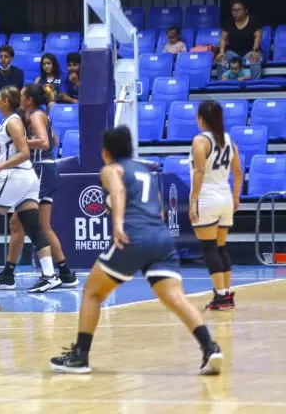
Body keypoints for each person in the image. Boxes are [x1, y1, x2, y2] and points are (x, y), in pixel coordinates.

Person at [50, 125, 223, 375]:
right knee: (175, 297)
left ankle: (80, 356)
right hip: (161, 238)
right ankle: (210, 347)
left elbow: (118, 191)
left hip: (134, 236)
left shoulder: (111, 169)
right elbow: (159, 210)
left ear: (106, 151)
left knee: (92, 293)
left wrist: (118, 223)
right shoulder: (146, 172)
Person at [0, 86, 56, 291]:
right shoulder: (9, 121)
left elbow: (24, 153)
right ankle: (50, 275)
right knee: (32, 226)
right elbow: (2, 156)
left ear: (6, 101)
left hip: (15, 176)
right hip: (27, 177)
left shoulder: (13, 122)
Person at [3, 84, 78, 292]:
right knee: (38, 226)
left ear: (29, 100)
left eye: (22, 95)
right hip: (45, 169)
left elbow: (45, 143)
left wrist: (21, 143)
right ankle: (65, 272)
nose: (19, 97)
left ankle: (12, 273)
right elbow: (54, 140)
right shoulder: (39, 115)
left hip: (42, 169)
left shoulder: (36, 115)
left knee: (19, 222)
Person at [190, 101, 243, 311]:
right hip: (225, 197)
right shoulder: (229, 140)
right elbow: (238, 172)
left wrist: (193, 201)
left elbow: (199, 172)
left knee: (208, 248)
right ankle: (226, 293)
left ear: (201, 118)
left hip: (207, 197)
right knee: (220, 247)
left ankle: (220, 296)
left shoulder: (200, 140)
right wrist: (236, 197)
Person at [217, 0, 263, 80]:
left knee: (255, 59)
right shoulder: (229, 22)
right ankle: (224, 84)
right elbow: (223, 38)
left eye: (239, 10)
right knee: (221, 60)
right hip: (233, 52)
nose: (236, 12)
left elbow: (258, 36)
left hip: (250, 51)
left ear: (245, 10)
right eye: (234, 10)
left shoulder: (253, 21)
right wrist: (221, 52)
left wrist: (255, 51)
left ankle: (254, 85)